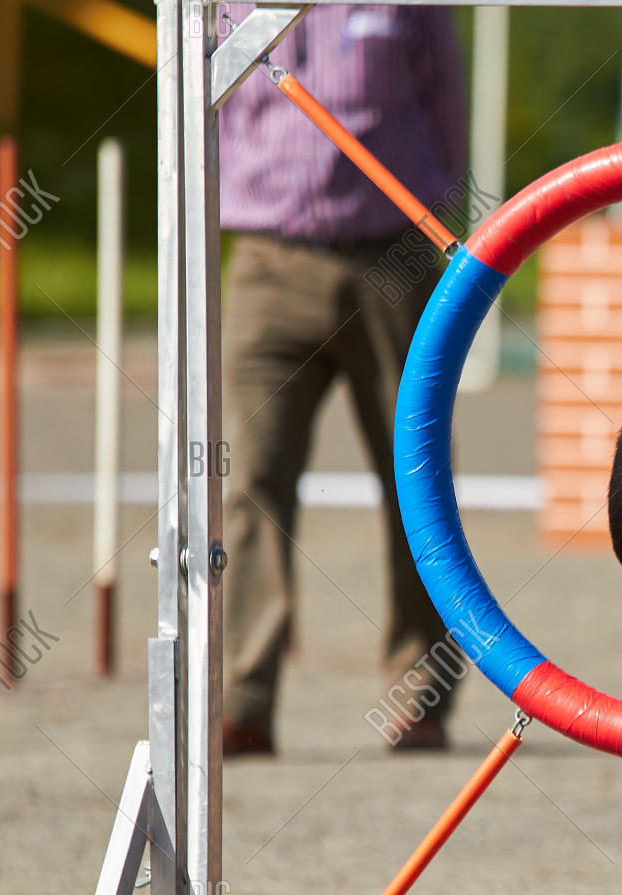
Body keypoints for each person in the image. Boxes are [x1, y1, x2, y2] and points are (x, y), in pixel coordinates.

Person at [217, 5, 468, 755]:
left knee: (415, 475)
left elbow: (446, 105)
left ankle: (422, 694)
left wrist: (426, 204)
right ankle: (242, 700)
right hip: (268, 258)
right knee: (250, 474)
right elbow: (207, 109)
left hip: (390, 257)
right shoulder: (227, 4)